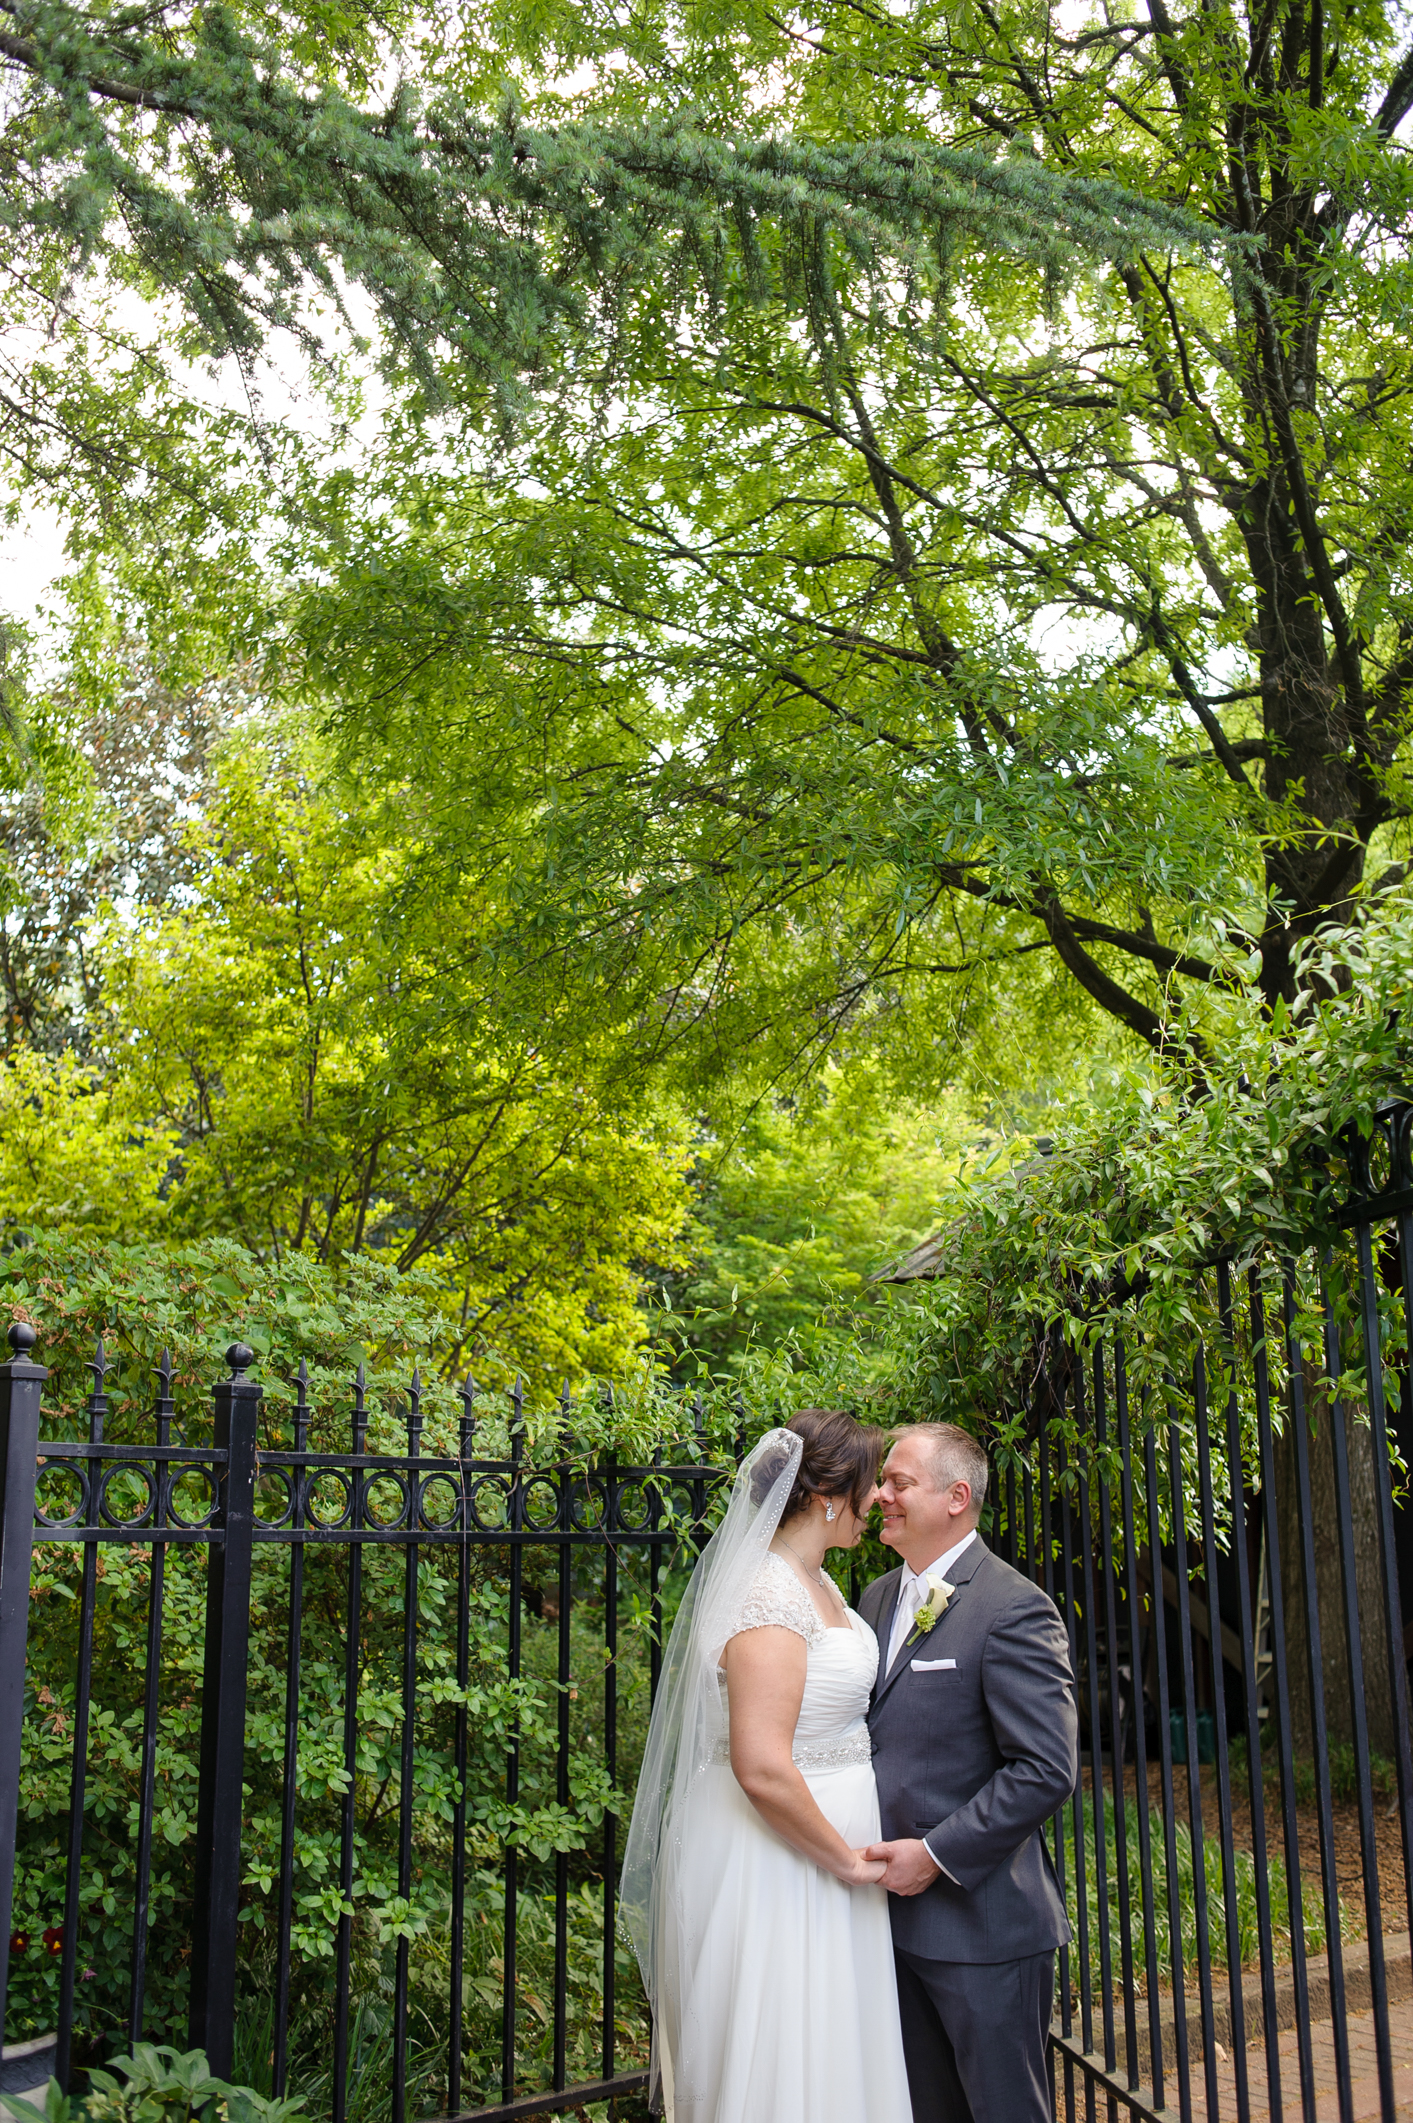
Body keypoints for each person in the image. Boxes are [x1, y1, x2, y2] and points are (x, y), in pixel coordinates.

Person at [621, 1411, 913, 2123]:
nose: (878, 1498)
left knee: (831, 2047)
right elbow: (759, 1764)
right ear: (826, 1496)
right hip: (781, 1855)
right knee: (783, 2044)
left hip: (823, 1845)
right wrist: (843, 1859)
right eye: (873, 1481)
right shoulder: (768, 1595)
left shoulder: (821, 1585)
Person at [860, 1422, 1079, 2123]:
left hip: (982, 1928)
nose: (879, 1495)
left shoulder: (1011, 1606)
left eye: (898, 1481)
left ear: (956, 1496)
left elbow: (1045, 1766)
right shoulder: (871, 1598)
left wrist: (933, 1854)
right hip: (885, 1921)